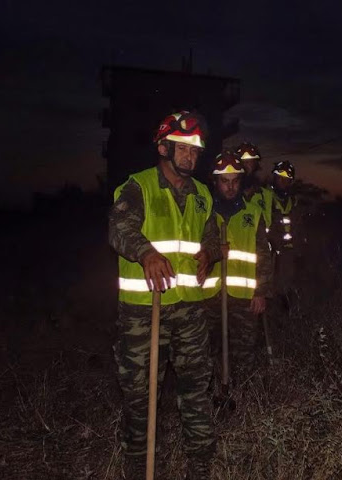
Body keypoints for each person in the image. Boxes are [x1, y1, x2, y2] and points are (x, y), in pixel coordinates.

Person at [108, 110, 220, 480]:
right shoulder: (137, 186)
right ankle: (139, 467)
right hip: (144, 312)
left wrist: (209, 254)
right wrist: (146, 253)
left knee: (196, 389)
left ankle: (200, 466)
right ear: (163, 147)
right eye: (182, 148)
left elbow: (211, 238)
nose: (190, 156)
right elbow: (119, 228)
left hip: (189, 310)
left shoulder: (203, 194)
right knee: (141, 396)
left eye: (195, 151)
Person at [204, 149, 273, 378]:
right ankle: (212, 396)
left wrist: (260, 291)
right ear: (215, 181)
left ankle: (245, 400)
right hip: (208, 296)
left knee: (244, 352)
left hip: (244, 297)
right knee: (206, 352)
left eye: (235, 181)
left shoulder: (253, 213)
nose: (230, 187)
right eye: (224, 181)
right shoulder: (204, 212)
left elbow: (263, 254)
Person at [267, 160, 302, 317]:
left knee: (286, 290)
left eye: (287, 178)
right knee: (269, 290)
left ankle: (285, 325)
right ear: (274, 178)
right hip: (269, 254)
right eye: (280, 177)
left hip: (290, 254)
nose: (284, 180)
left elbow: (299, 227)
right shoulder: (265, 196)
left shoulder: (294, 201)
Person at [235, 142, 274, 229]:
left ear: (255, 164)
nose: (245, 165)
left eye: (249, 162)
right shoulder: (227, 192)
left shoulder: (266, 195)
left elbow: (272, 226)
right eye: (242, 161)